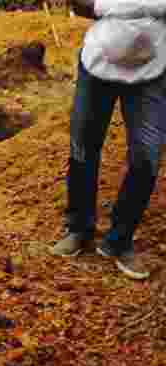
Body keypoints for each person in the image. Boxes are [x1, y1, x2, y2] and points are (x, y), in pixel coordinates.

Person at [50, 0, 166, 280]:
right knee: (83, 148)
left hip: (153, 67)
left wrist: (113, 5)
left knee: (146, 158)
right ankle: (79, 228)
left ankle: (120, 239)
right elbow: (79, 4)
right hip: (98, 62)